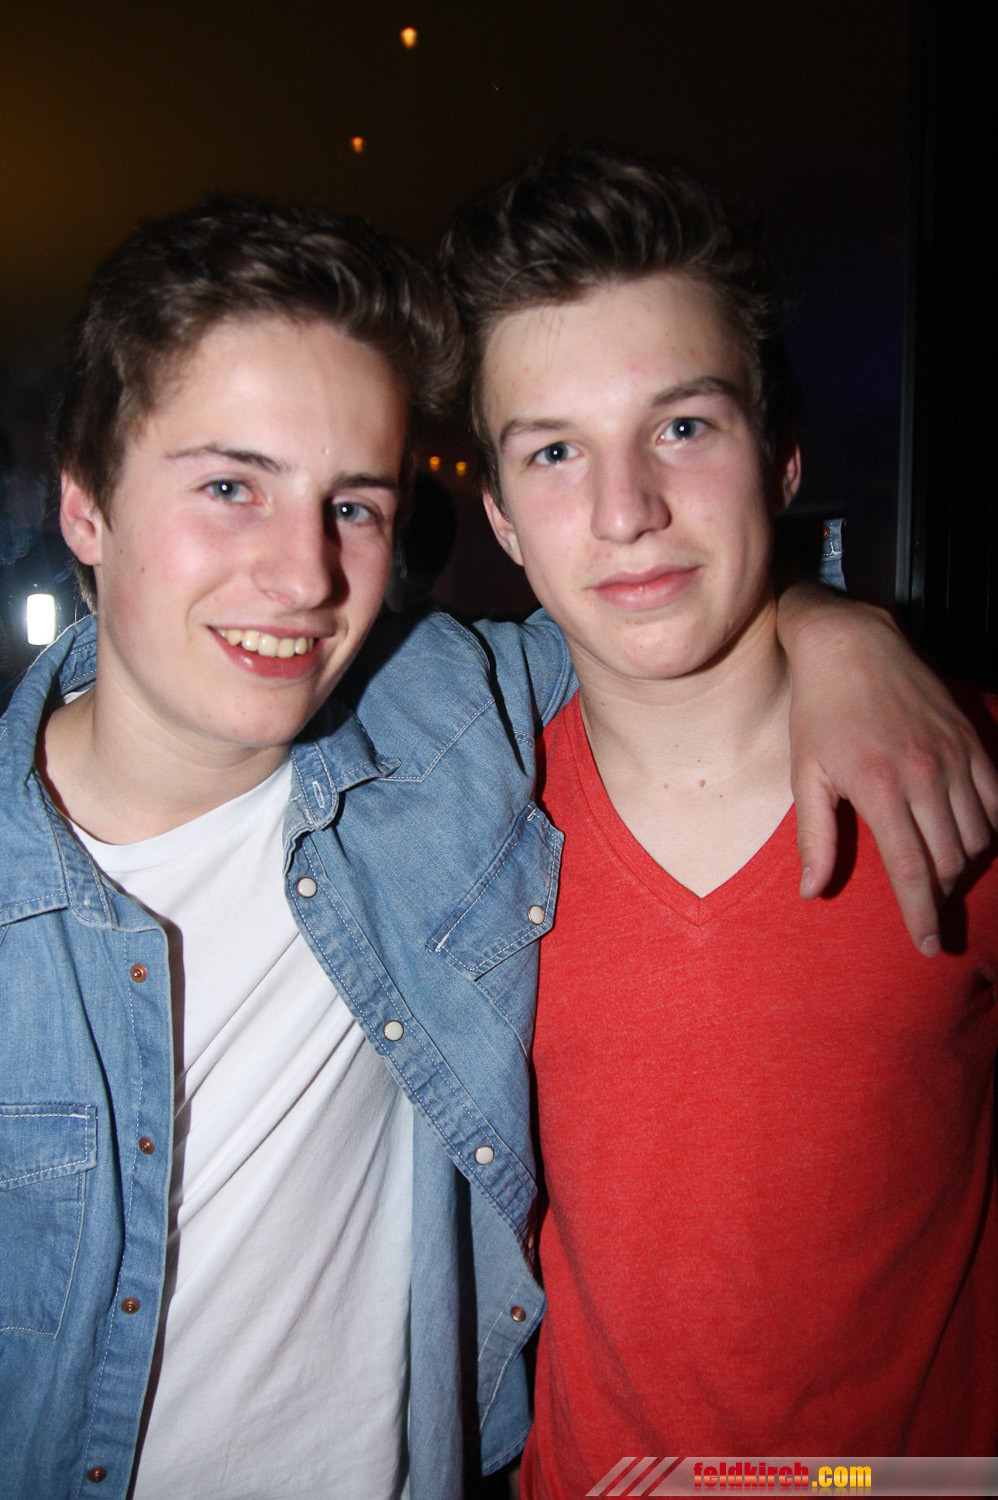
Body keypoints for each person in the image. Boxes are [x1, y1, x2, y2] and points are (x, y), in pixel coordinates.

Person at [0, 195, 992, 1500]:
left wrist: (838, 627)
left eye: (354, 506)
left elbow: (662, 620)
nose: (302, 575)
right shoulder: (469, 755)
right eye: (230, 487)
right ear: (84, 510)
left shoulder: (442, 732)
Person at [438, 145, 998, 1491]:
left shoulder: (962, 770)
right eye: (555, 453)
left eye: (682, 428)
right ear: (502, 518)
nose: (626, 511)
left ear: (781, 456)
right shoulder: (454, 834)